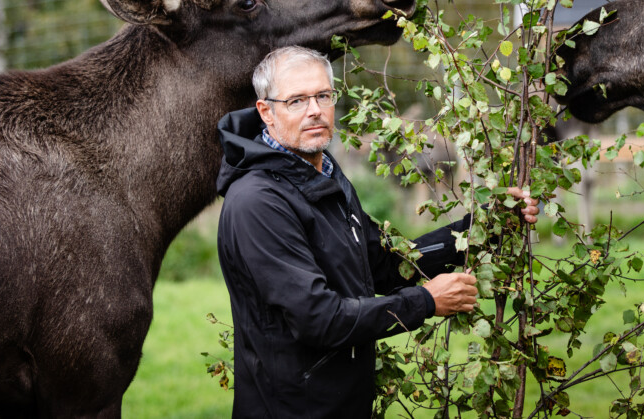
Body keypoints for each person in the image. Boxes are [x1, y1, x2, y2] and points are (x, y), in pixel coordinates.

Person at [216, 46, 538, 418]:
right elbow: (318, 319)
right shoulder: (258, 203)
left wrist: (485, 226)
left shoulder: (324, 176)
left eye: (323, 95)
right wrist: (425, 302)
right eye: (297, 100)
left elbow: (387, 264)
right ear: (266, 112)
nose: (315, 110)